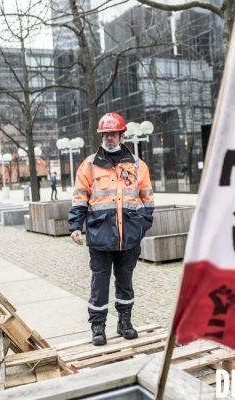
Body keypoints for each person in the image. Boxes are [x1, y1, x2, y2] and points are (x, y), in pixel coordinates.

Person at [68, 112, 155, 346]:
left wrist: (142, 226)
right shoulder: (88, 165)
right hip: (100, 237)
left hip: (129, 237)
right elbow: (79, 198)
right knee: (99, 285)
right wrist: (76, 226)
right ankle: (98, 327)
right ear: (101, 136)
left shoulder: (137, 165)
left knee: (125, 282)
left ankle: (125, 322)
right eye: (105, 134)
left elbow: (147, 198)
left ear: (121, 135)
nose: (109, 138)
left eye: (113, 134)